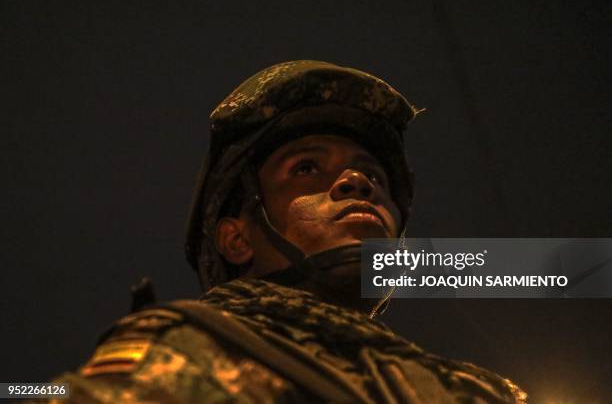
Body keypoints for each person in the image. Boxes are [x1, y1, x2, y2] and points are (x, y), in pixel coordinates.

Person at [46, 60, 527, 403]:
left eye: (374, 177)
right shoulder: (193, 353)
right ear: (237, 239)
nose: (357, 182)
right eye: (306, 169)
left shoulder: (476, 391)